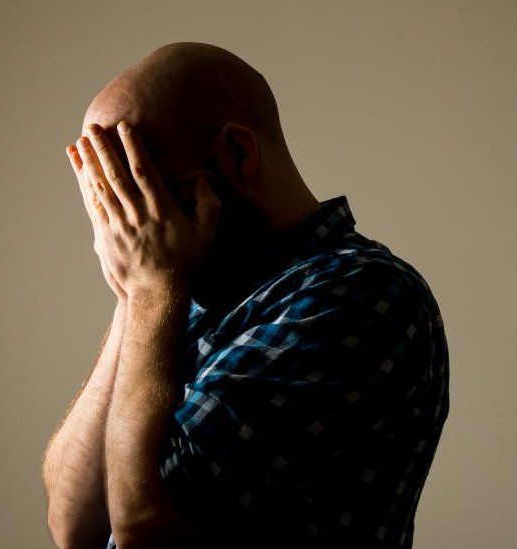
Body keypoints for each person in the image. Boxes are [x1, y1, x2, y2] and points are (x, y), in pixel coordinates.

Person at [41, 42, 449, 549]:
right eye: (112, 204)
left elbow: (143, 530)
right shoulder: (173, 293)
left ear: (238, 154)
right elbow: (73, 527)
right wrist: (132, 297)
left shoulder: (359, 294)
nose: (132, 227)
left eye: (143, 195)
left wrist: (148, 288)